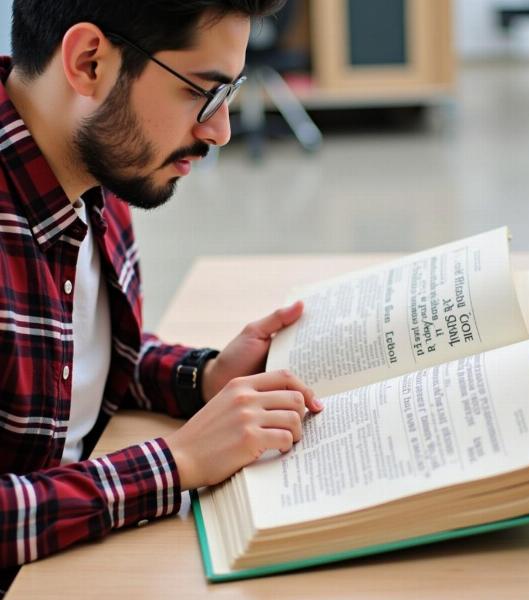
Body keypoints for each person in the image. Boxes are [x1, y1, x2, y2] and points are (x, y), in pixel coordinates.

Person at [0, 0, 323, 591]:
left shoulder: (99, 159)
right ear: (90, 63)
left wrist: (203, 378)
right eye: (203, 92)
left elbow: (75, 355)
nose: (220, 129)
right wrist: (172, 465)